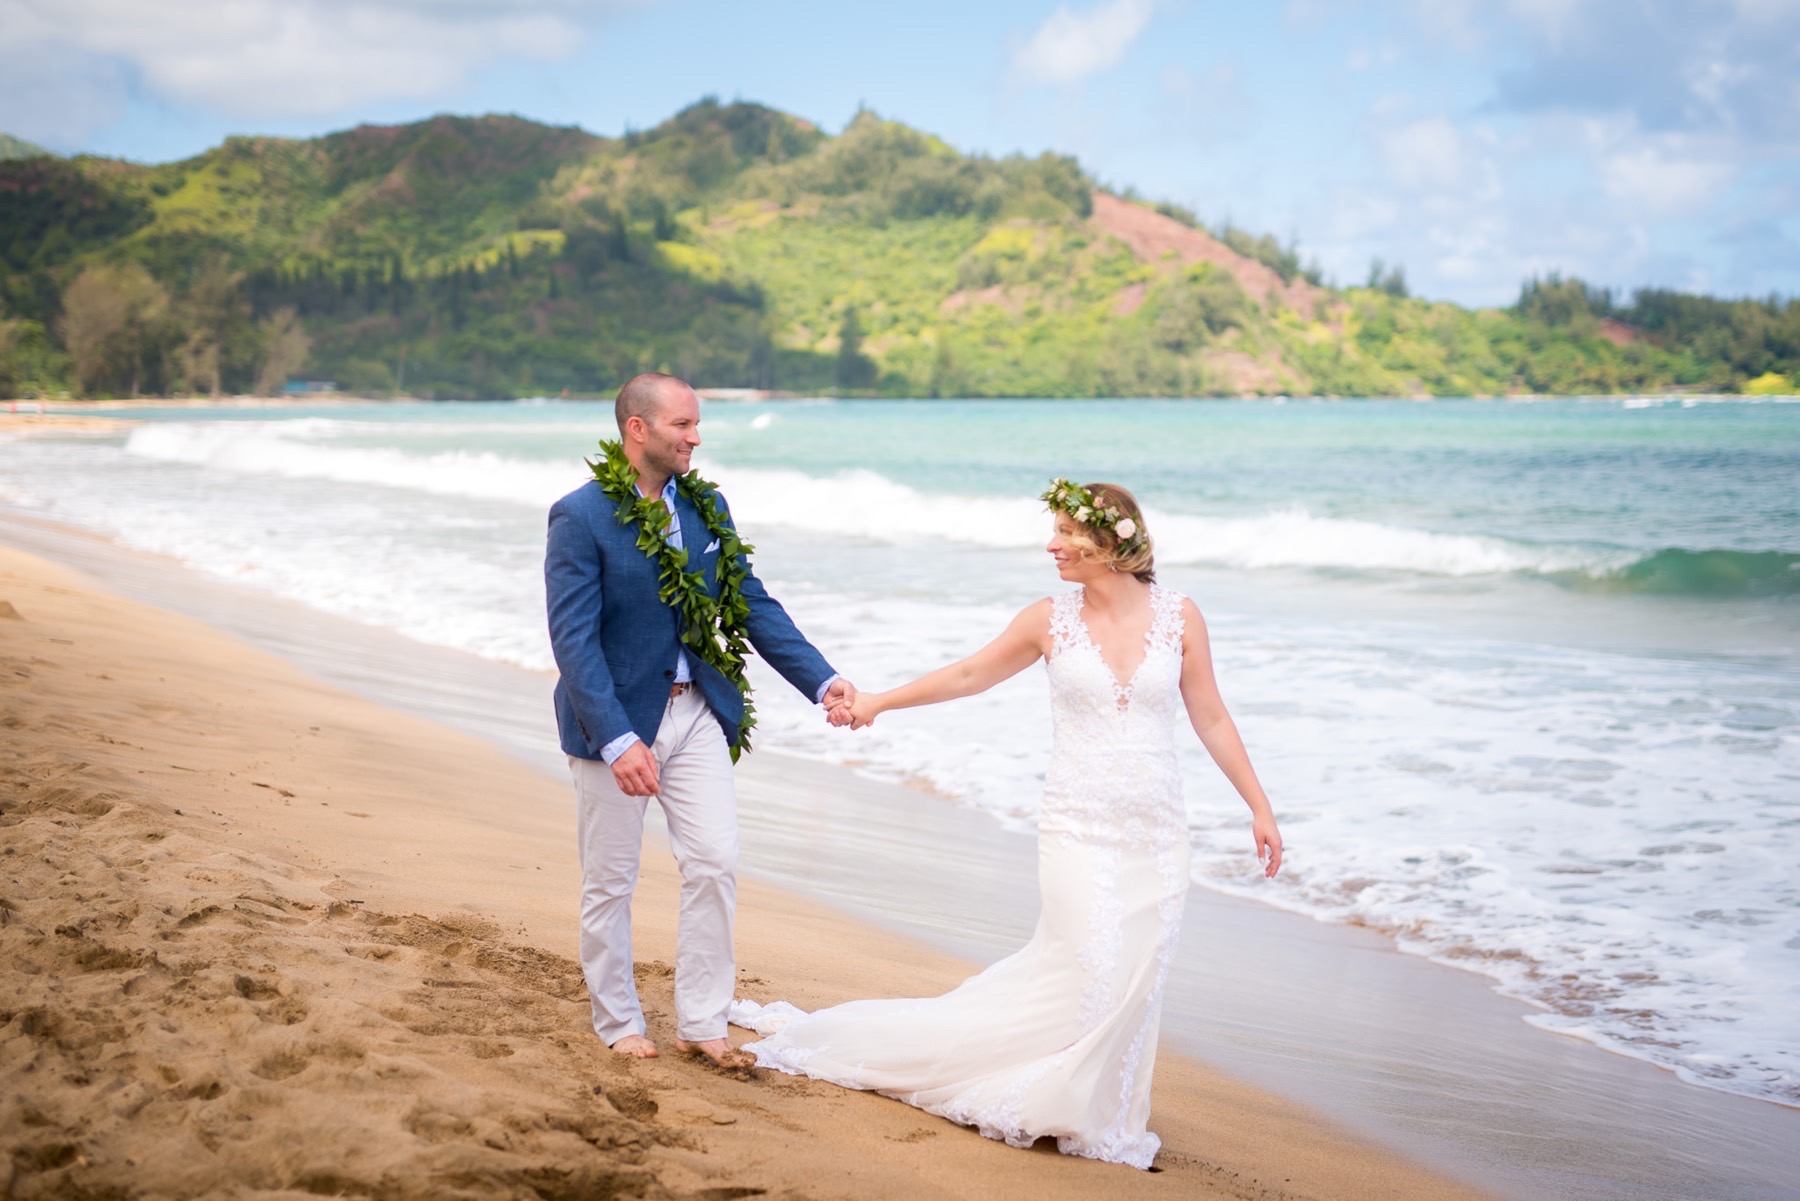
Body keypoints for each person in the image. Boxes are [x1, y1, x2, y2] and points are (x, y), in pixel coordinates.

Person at [735, 480, 1281, 1168]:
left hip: (1157, 829)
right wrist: (877, 702)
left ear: (1109, 540)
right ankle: (1042, 1089)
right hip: (1077, 825)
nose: (1051, 545)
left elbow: (1210, 715)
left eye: (1064, 533)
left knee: (1135, 975)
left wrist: (1258, 806)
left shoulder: (1181, 616)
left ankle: (1097, 1108)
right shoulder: (1048, 619)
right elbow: (969, 675)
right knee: (1087, 961)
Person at [546, 372, 855, 1068]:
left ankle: (703, 1020)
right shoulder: (581, 515)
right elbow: (573, 640)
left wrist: (823, 679)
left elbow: (753, 602)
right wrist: (616, 736)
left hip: (696, 713)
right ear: (638, 430)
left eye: (696, 423)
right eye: (682, 424)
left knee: (715, 862)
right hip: (615, 724)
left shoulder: (708, 505)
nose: (695, 436)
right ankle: (619, 1020)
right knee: (610, 880)